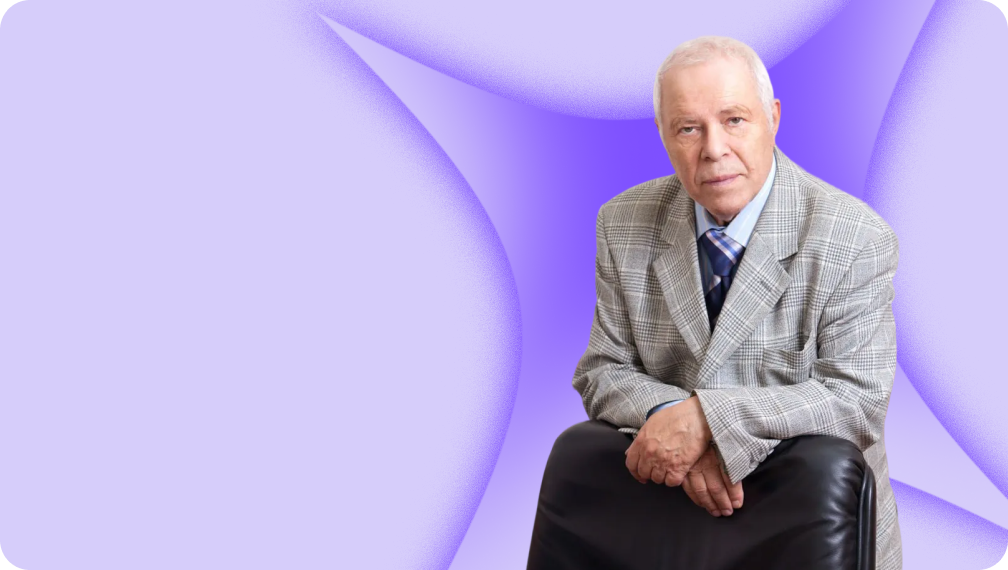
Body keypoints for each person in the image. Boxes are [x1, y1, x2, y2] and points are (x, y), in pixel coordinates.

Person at [555, 36, 902, 568]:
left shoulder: (854, 237)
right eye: (688, 128)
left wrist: (706, 420)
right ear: (663, 134)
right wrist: (672, 419)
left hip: (811, 531)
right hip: (668, 523)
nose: (714, 149)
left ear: (773, 118)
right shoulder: (621, 224)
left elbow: (855, 401)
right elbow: (603, 369)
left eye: (734, 120)